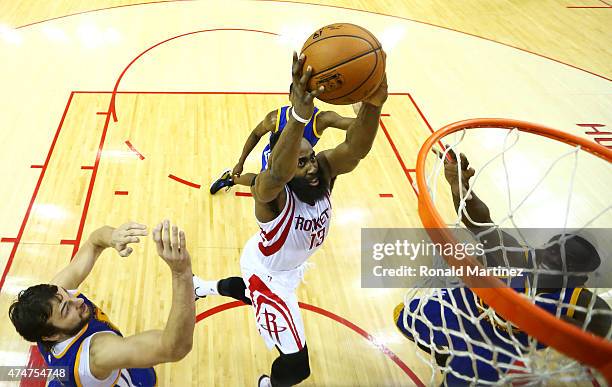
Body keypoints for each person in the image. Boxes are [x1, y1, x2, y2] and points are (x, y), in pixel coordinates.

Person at [194, 51, 388, 386]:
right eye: (302, 164)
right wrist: (298, 115)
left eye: (311, 158)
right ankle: (268, 384)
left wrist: (373, 104)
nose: (312, 167)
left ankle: (203, 286)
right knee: (298, 367)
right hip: (269, 276)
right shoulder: (271, 198)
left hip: (282, 264)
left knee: (249, 295)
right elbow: (274, 175)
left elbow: (355, 148)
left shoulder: (322, 172)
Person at [394, 149, 611, 384]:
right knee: (405, 317)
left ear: (580, 277)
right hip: (463, 309)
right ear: (547, 244)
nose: (555, 258)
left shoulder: (579, 301)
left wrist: (584, 342)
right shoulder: (517, 256)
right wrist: (460, 186)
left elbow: (605, 327)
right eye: (555, 248)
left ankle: (459, 362)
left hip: (494, 348)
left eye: (569, 260)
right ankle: (445, 353)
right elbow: (480, 222)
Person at [9, 220, 195, 386]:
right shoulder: (97, 354)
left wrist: (113, 237)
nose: (77, 300)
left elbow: (94, 241)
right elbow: (174, 347)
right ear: (51, 336)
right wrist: (181, 274)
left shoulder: (51, 308)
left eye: (67, 294)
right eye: (67, 309)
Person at [209, 85, 357, 194]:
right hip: (275, 159)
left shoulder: (321, 119)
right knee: (258, 185)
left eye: (307, 96)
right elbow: (255, 134)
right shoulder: (276, 118)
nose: (303, 101)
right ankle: (231, 179)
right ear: (290, 96)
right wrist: (240, 162)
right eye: (298, 96)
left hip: (301, 163)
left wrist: (366, 109)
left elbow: (355, 125)